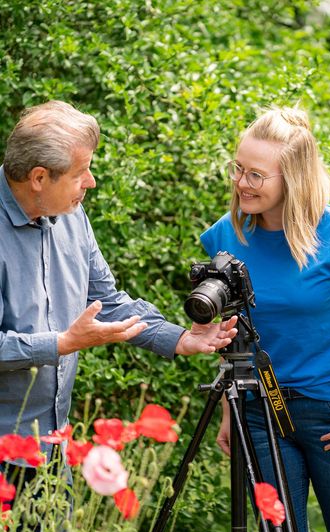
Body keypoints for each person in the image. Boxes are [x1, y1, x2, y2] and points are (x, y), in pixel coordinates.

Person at [0, 100, 238, 468]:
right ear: (39, 178)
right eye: (82, 172)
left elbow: (106, 301)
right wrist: (61, 344)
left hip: (52, 453)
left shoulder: (71, 215)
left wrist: (179, 338)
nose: (91, 182)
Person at [201, 106, 330, 532]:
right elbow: (233, 331)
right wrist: (231, 412)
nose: (241, 182)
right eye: (239, 169)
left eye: (256, 175)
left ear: (293, 177)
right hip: (260, 415)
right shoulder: (223, 238)